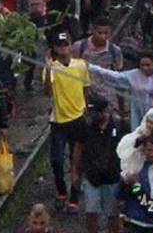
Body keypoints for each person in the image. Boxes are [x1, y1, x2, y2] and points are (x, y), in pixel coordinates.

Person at [44, 31, 89, 213]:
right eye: (60, 45)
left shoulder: (80, 66)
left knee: (76, 161)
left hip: (77, 119)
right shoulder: (52, 68)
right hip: (58, 121)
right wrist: (48, 70)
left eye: (65, 44)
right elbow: (47, 90)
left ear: (70, 46)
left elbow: (86, 88)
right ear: (55, 48)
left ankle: (73, 196)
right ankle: (61, 189)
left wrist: (83, 109)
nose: (63, 48)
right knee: (56, 160)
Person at [79, 96, 125, 233]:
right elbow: (78, 147)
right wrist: (76, 171)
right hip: (92, 176)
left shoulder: (120, 125)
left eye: (96, 113)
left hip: (113, 177)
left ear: (105, 112)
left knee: (113, 214)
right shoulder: (85, 126)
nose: (92, 116)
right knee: (91, 212)